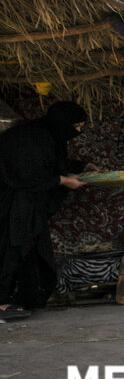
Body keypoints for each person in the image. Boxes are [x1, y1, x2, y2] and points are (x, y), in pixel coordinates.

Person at [0, 101, 89, 319]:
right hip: (11, 205)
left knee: (26, 251)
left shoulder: (47, 137)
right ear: (62, 123)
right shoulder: (29, 138)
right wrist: (62, 180)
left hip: (25, 205)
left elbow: (49, 163)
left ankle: (14, 298)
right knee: (9, 251)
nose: (77, 132)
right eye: (75, 127)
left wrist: (81, 167)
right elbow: (25, 173)